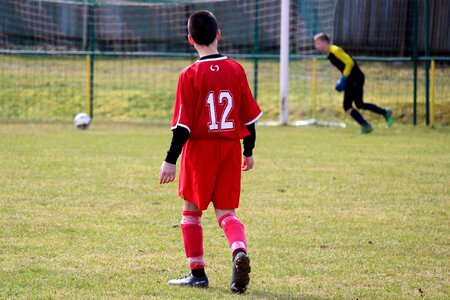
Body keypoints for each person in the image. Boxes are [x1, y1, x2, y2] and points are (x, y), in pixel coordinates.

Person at [159, 10, 262, 294]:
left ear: (190, 40)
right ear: (218, 34)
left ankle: (197, 273)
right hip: (229, 149)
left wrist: (170, 160)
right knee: (226, 212)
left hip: (200, 150)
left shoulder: (189, 74)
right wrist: (248, 151)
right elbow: (249, 119)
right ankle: (238, 250)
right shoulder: (236, 69)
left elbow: (182, 126)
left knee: (191, 211)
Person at [314, 33, 393, 134]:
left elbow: (349, 62)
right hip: (351, 79)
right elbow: (344, 66)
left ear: (325, 42)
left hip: (356, 78)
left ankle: (371, 122)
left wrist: (343, 79)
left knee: (353, 105)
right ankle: (379, 117)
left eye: (317, 43)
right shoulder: (330, 54)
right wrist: (343, 80)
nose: (316, 46)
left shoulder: (335, 50)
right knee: (353, 105)